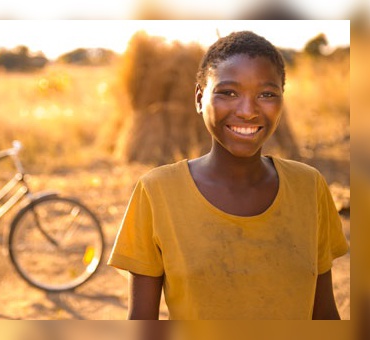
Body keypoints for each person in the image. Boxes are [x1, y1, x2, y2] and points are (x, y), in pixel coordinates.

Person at [107, 31, 349, 320]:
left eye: (266, 94)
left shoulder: (309, 187)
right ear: (199, 99)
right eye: (228, 92)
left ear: (282, 103)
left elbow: (323, 313)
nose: (247, 111)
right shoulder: (157, 192)